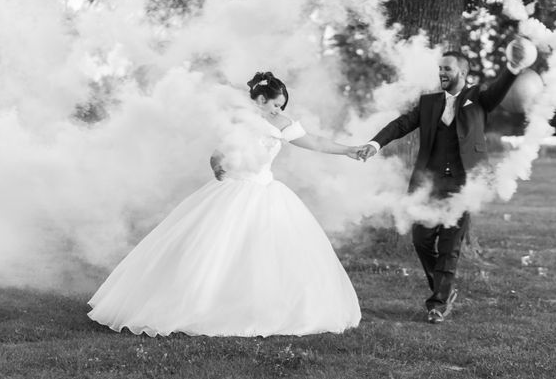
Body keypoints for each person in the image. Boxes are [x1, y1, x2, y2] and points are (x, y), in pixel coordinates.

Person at [88, 71, 362, 337]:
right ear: (261, 99)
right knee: (212, 250)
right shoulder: (238, 120)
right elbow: (219, 152)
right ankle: (198, 303)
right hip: (231, 189)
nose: (279, 110)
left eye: (282, 106)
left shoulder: (280, 123)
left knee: (265, 251)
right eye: (276, 104)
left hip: (263, 190)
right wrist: (217, 164)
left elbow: (315, 142)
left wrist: (349, 150)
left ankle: (261, 306)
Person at [358, 41, 533, 324]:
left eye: (447, 68)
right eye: (440, 68)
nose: (441, 72)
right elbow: (402, 124)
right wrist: (375, 144)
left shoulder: (479, 98)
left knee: (450, 246)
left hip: (464, 184)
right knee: (421, 239)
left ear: (462, 73)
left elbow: (500, 88)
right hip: (429, 184)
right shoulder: (428, 103)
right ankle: (443, 290)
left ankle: (437, 304)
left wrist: (513, 67)